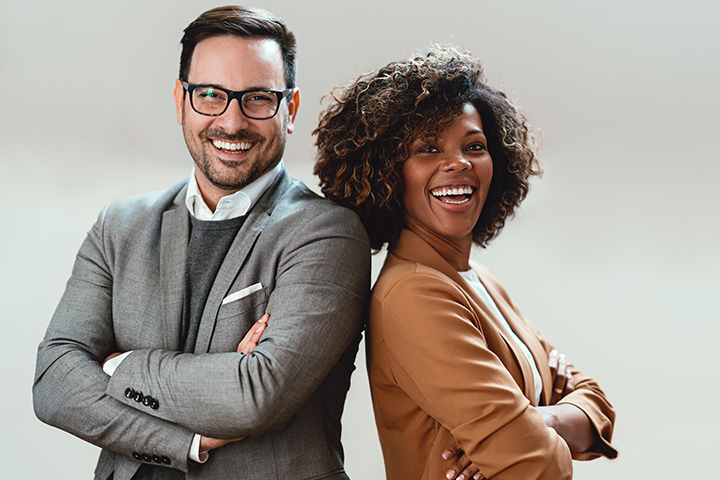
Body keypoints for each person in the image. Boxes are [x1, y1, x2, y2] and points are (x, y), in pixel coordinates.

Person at [33, 6, 370, 480]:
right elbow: (53, 382)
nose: (231, 123)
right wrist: (184, 441)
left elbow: (256, 396)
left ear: (289, 110)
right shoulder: (120, 225)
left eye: (257, 98)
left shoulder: (328, 234)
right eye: (210, 95)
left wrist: (119, 365)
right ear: (180, 101)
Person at [314, 45, 617, 480]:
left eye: (474, 146)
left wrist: (538, 422)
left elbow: (596, 400)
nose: (457, 163)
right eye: (428, 149)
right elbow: (534, 462)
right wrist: (540, 425)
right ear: (388, 171)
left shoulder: (481, 281)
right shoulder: (412, 293)